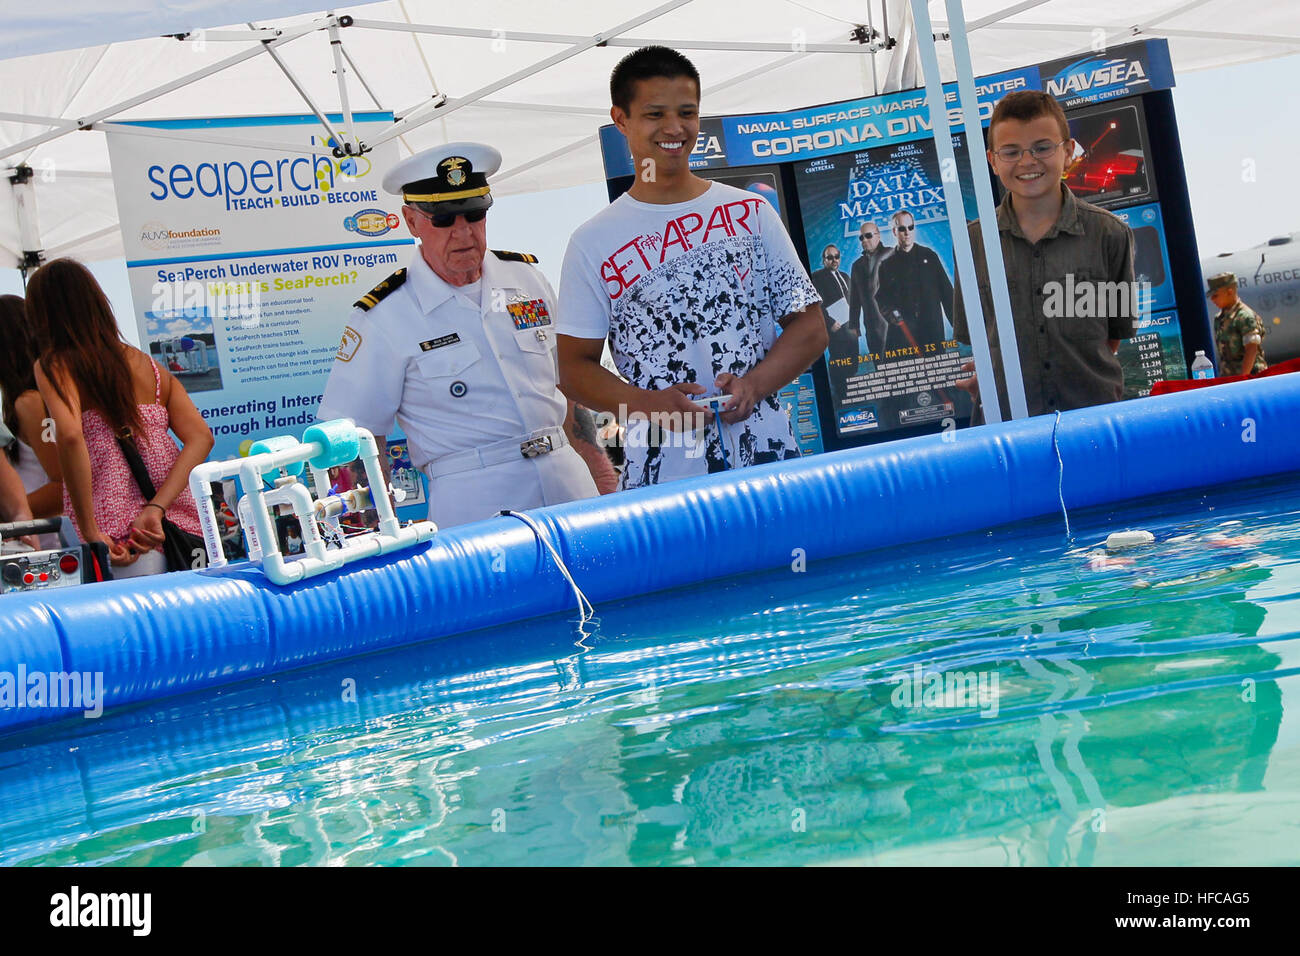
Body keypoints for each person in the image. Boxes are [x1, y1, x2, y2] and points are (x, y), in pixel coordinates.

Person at [557, 46, 828, 488]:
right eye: (654, 114)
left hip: (769, 460)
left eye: (687, 112)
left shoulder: (752, 212)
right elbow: (572, 368)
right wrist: (647, 405)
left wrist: (754, 386)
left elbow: (810, 326)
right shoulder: (592, 242)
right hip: (663, 479)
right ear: (621, 119)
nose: (674, 128)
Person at [318, 143, 599, 529]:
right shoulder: (384, 315)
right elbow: (353, 440)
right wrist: (369, 534)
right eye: (444, 219)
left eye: (474, 214)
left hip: (569, 482)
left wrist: (600, 471)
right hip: (475, 500)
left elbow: (567, 385)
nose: (463, 231)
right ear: (411, 222)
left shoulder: (527, 279)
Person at [953, 89, 1137, 422]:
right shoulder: (971, 243)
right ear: (992, 161)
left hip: (1093, 423)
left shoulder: (1110, 235)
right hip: (1006, 432)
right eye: (1011, 151)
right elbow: (980, 340)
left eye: (1042, 147)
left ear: (1068, 152)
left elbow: (1113, 336)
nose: (1027, 161)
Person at [27, 258, 214, 577]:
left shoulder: (56, 364)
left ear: (43, 315)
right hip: (175, 524)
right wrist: (157, 508)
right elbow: (201, 438)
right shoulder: (151, 368)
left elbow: (71, 436)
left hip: (115, 533)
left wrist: (89, 530)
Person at [0, 295, 62, 548]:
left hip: (45, 541)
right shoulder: (26, 400)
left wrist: (12, 511)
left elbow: (62, 487)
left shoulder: (29, 403)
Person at [875, 209, 954, 355]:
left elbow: (947, 293)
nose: (907, 232)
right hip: (903, 334)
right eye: (902, 229)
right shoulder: (886, 265)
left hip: (931, 331)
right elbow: (882, 298)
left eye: (910, 227)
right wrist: (893, 317)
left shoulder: (929, 256)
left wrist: (960, 327)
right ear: (894, 232)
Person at [810, 245, 858, 397]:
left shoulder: (845, 276)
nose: (834, 260)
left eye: (836, 256)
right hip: (835, 328)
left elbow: (853, 302)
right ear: (824, 260)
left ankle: (849, 390)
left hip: (850, 328)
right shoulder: (817, 277)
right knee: (839, 360)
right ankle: (841, 393)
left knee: (853, 361)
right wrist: (830, 322)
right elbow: (814, 304)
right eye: (830, 257)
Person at [847, 221, 893, 358]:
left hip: (894, 321)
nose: (864, 240)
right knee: (879, 365)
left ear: (878, 236)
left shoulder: (892, 254)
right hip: (871, 324)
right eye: (861, 237)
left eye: (868, 235)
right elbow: (854, 298)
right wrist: (854, 324)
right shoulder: (857, 266)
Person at [1207, 272, 1267, 376]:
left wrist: (1243, 377)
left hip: (1251, 377)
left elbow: (1251, 349)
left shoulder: (1245, 317)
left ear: (1229, 292)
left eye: (1215, 295)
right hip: (1231, 377)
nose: (1212, 300)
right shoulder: (1220, 318)